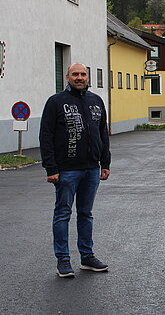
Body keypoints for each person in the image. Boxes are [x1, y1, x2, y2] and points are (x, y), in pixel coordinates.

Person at [39, 63, 111, 278]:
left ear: (87, 77)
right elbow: (46, 137)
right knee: (62, 214)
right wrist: (50, 168)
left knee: (86, 214)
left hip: (91, 169)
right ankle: (63, 259)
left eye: (83, 74)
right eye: (75, 74)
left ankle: (87, 257)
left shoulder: (96, 102)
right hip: (66, 170)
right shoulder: (56, 102)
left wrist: (105, 163)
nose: (79, 77)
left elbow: (103, 134)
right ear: (67, 77)